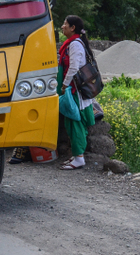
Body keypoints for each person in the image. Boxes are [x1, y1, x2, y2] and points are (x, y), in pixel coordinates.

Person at [58, 15, 95, 170]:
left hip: (74, 90)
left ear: (73, 28)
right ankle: (76, 155)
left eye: (65, 24)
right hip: (71, 89)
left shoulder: (75, 45)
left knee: (75, 122)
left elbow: (73, 68)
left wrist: (64, 85)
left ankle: (79, 158)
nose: (62, 26)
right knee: (71, 121)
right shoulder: (72, 43)